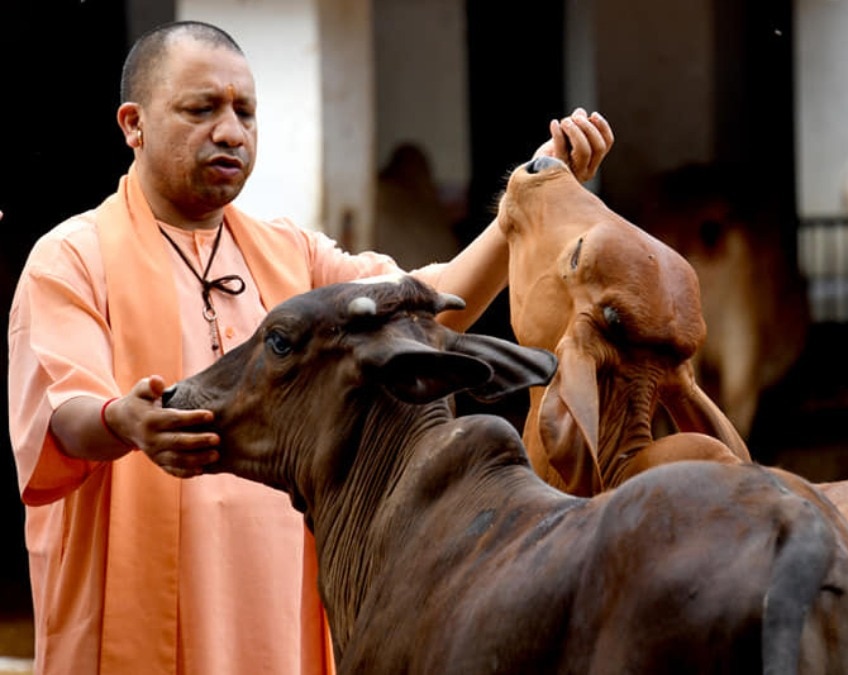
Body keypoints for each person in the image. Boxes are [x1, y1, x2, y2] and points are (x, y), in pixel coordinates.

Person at [6, 20, 613, 675]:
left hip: (275, 612)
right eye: (201, 109)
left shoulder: (291, 252)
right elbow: (62, 414)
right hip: (136, 618)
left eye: (245, 112)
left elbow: (432, 302)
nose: (230, 132)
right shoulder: (73, 258)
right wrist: (121, 420)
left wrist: (524, 203)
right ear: (134, 123)